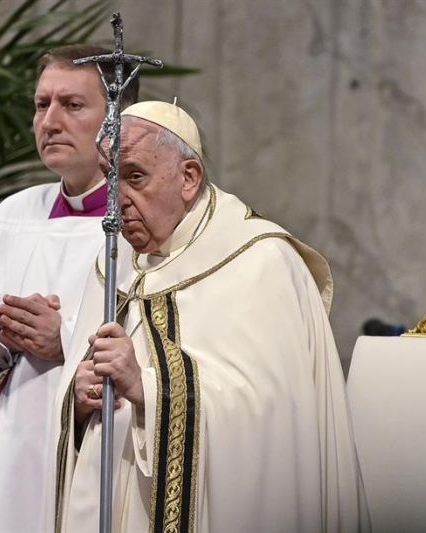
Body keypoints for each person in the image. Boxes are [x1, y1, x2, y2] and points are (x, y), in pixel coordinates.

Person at [52, 100, 369, 532]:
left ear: (188, 178)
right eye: (110, 178)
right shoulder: (115, 263)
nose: (115, 201)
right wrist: (80, 396)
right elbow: (78, 387)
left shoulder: (260, 261)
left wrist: (147, 387)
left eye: (135, 177)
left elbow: (275, 421)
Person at [0, 44, 139, 533]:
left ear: (118, 119)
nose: (50, 121)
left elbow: (170, 349)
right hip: (8, 462)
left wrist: (63, 339)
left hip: (100, 456)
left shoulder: (144, 223)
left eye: (72, 105)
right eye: (42, 104)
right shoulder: (12, 218)